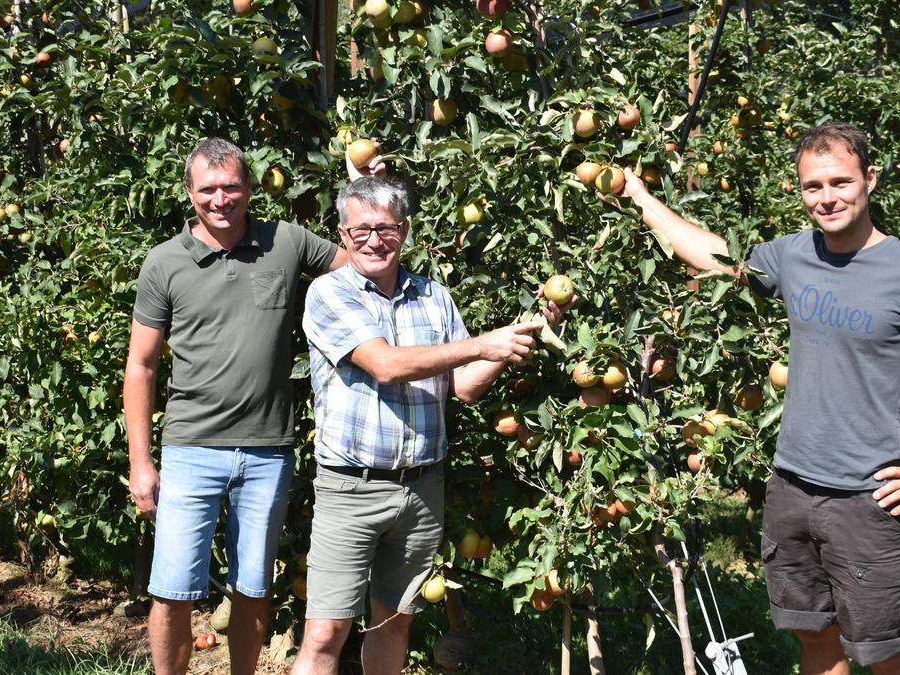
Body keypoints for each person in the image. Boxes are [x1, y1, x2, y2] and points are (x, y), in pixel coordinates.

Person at [619, 122, 900, 675]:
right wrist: (639, 194)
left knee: (885, 654)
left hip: (869, 501)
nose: (827, 198)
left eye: (841, 183)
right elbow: (712, 256)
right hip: (792, 486)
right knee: (815, 640)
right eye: (812, 186)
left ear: (870, 179)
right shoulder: (793, 255)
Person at [290, 175, 574, 675]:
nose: (373, 240)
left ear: (405, 231)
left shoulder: (433, 297)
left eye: (386, 228)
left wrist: (518, 336)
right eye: (360, 230)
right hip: (351, 488)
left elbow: (463, 385)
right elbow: (384, 363)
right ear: (342, 233)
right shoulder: (328, 295)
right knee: (325, 630)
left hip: (422, 487)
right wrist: (480, 344)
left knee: (394, 621)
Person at [123, 136, 383, 675]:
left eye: (232, 186)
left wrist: (365, 189)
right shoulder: (165, 262)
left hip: (268, 451)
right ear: (190, 193)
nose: (221, 199)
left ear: (250, 188)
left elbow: (365, 261)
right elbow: (141, 365)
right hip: (191, 448)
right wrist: (141, 463)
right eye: (208, 189)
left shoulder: (284, 243)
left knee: (253, 587)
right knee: (172, 590)